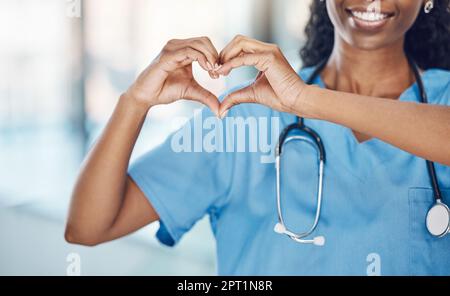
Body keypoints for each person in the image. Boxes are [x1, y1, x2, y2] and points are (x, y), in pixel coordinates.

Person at [65, 0, 450, 275]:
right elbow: (88, 226)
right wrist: (134, 102)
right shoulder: (243, 117)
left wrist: (305, 100)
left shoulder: (442, 104)